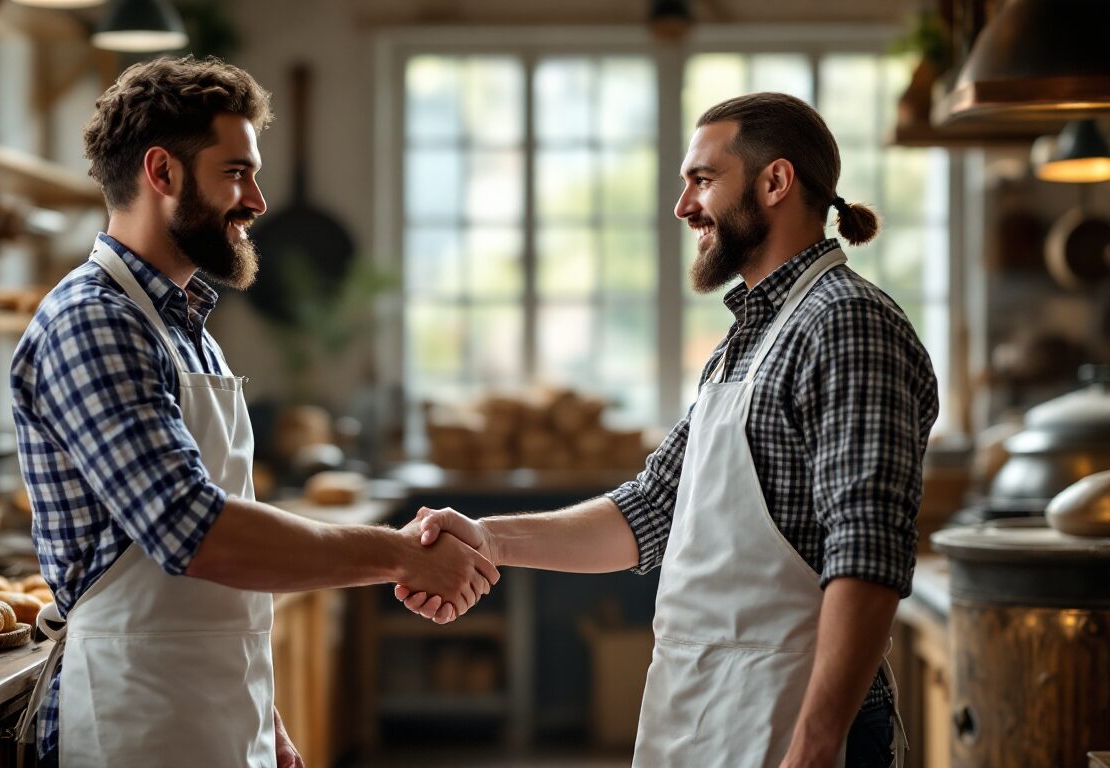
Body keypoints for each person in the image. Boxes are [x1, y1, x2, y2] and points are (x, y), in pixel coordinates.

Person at [397, 92, 937, 768]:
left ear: (775, 181)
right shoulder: (748, 339)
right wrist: (487, 540)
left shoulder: (847, 323)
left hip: (796, 724)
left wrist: (817, 744)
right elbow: (651, 511)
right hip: (707, 715)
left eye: (702, 180)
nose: (683, 207)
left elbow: (868, 552)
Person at [8, 56, 498, 768]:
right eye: (236, 172)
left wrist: (258, 712)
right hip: (131, 718)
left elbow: (217, 558)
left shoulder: (184, 328)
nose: (257, 200)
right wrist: (399, 555)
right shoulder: (94, 322)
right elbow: (198, 535)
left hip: (211, 711)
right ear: (162, 173)